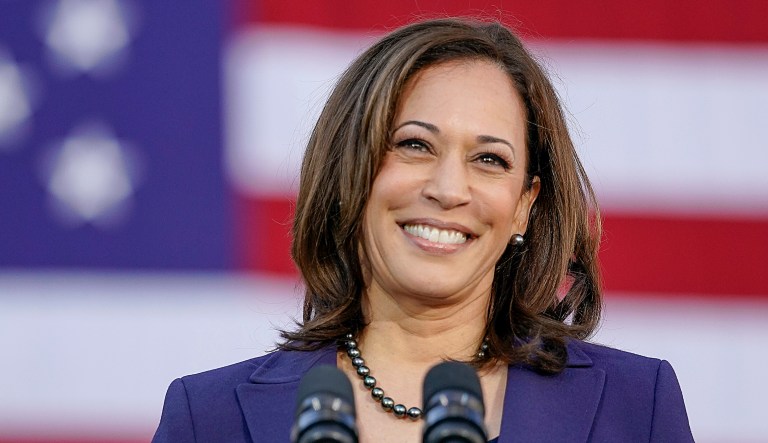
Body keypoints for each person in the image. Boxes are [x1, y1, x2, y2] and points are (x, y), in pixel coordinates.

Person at [153, 17, 694, 442]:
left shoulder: (635, 406)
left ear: (525, 206)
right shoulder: (209, 418)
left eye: (489, 160)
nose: (448, 188)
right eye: (414, 145)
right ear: (352, 173)